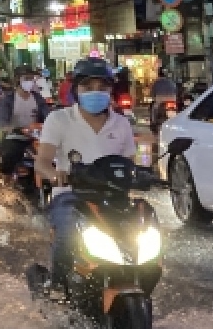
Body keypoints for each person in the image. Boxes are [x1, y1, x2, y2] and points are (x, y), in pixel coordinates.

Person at [36, 57, 140, 283]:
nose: (96, 92)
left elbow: (130, 162)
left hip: (114, 197)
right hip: (71, 195)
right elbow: (42, 162)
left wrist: (143, 176)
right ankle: (57, 285)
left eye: (102, 87)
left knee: (144, 229)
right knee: (67, 234)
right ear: (76, 90)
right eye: (88, 87)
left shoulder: (121, 123)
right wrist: (56, 175)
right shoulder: (59, 119)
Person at [0, 66, 49, 131]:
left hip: (35, 137)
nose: (30, 81)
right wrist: (14, 130)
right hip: (14, 138)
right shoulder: (8, 100)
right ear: (17, 79)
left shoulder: (38, 98)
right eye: (26, 78)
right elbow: (3, 123)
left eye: (31, 79)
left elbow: (48, 118)